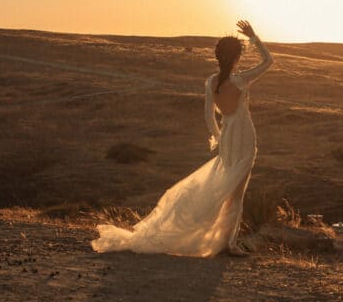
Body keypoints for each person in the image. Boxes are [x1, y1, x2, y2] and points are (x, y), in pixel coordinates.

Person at [91, 20, 272, 257]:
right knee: (236, 193)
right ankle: (229, 243)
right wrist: (254, 37)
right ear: (237, 57)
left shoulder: (211, 81)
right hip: (245, 137)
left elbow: (208, 115)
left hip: (228, 137)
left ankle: (224, 241)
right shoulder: (240, 80)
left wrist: (219, 138)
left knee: (227, 189)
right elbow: (268, 61)